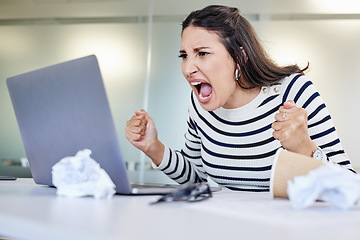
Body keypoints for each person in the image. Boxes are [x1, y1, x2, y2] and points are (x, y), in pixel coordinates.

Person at [125, 5, 355, 192]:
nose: (188, 68)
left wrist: (304, 148)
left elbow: (350, 185)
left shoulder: (293, 91)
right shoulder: (199, 103)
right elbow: (196, 178)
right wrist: (153, 147)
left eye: (202, 53)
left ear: (239, 56)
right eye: (184, 56)